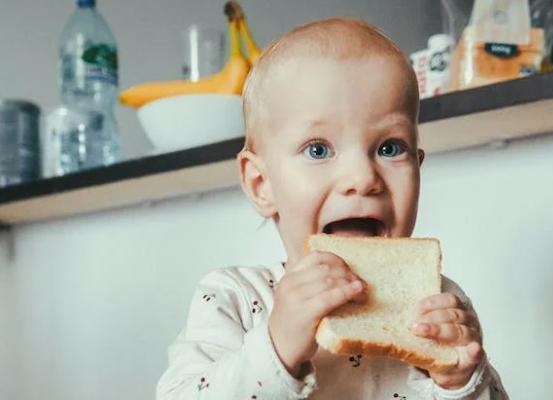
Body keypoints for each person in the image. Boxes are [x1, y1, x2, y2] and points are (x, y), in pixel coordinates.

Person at [157, 17, 508, 399]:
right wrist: (276, 345)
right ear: (262, 184)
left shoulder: (437, 302)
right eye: (318, 149)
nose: (362, 177)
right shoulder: (234, 298)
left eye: (390, 148)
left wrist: (462, 382)